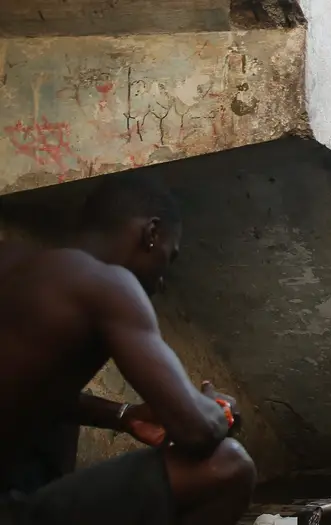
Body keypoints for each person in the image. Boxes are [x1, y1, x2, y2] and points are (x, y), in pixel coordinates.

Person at [0, 173, 256, 525]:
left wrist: (123, 416)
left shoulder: (14, 262)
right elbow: (196, 432)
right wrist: (218, 408)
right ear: (151, 234)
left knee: (55, 422)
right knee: (227, 465)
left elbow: (25, 391)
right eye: (171, 255)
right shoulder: (108, 285)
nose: (162, 282)